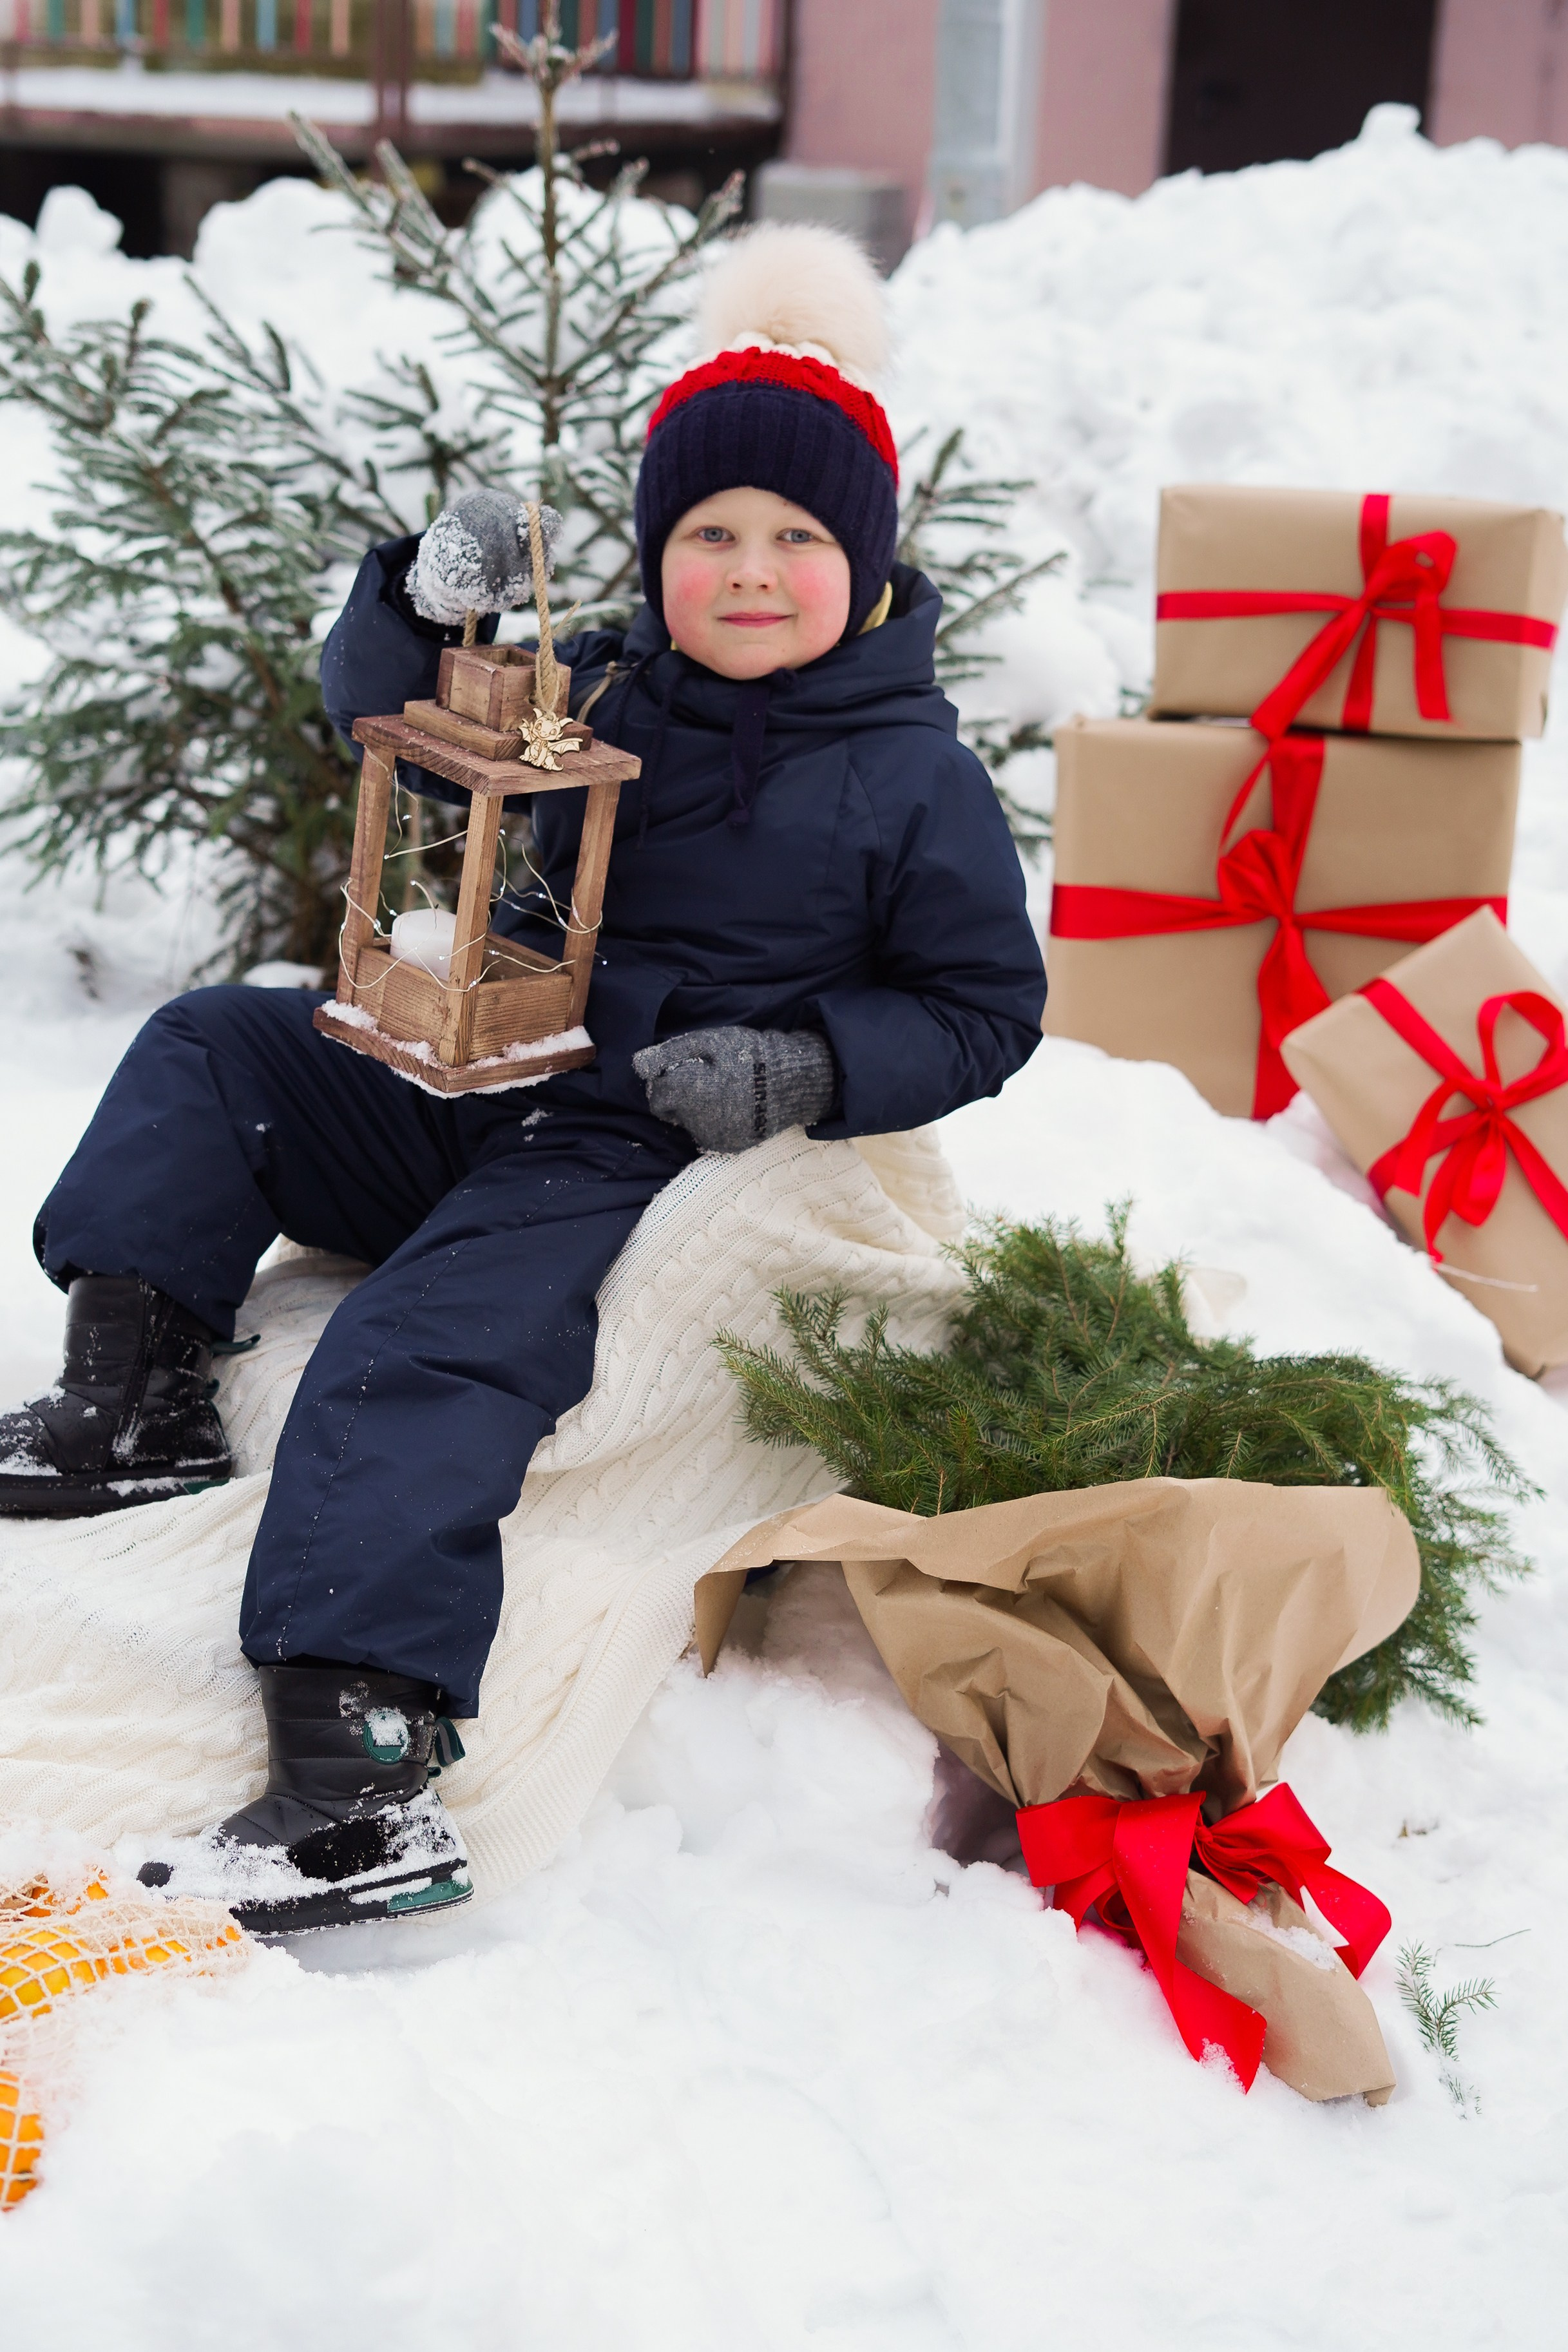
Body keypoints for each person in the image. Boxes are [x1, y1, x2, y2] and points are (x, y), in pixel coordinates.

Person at [0, 225, 1046, 1931]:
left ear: (860, 561)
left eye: (797, 535)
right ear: (657, 553)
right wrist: (420, 591)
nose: (754, 567)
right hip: (480, 1068)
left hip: (629, 1133)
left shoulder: (910, 778)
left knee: (419, 1347)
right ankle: (141, 1392)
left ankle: (357, 1767)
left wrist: (803, 1062)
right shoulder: (601, 682)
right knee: (218, 1046)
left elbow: (984, 1009)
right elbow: (392, 706)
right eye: (710, 532)